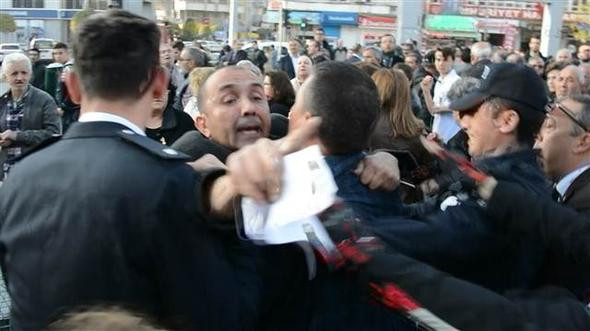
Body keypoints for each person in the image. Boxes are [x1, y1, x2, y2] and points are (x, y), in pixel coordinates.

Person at [0, 10, 239, 330]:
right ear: (159, 84)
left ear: (72, 86)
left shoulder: (19, 179)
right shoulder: (171, 182)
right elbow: (217, 313)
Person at [374, 63, 551, 295]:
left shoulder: (512, 190)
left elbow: (431, 237)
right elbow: (422, 212)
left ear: (507, 121)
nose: (463, 121)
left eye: (473, 111)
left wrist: (344, 228)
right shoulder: (487, 173)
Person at [369, 68, 434, 203]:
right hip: (406, 202)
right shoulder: (416, 131)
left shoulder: (361, 128)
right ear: (404, 94)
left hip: (370, 200)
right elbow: (425, 175)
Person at [0, 52, 61, 181]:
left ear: (30, 74)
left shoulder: (44, 100)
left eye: (24, 72)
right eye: (14, 73)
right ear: (5, 76)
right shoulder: (2, 101)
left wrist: (17, 136)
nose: (19, 77)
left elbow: (54, 135)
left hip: (34, 172)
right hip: (5, 173)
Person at [535, 94, 590, 214]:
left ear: (583, 142)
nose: (538, 135)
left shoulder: (584, 205)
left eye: (549, 125)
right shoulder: (550, 189)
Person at [421, 47, 462, 143]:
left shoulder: (456, 81)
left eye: (445, 60)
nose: (441, 63)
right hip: (438, 133)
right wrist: (426, 91)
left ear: (452, 61)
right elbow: (432, 110)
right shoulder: (439, 80)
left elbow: (460, 106)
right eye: (438, 60)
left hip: (452, 134)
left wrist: (441, 108)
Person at [174, 47, 206, 112]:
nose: (178, 62)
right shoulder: (187, 77)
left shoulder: (197, 82)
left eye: (181, 59)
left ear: (191, 63)